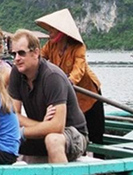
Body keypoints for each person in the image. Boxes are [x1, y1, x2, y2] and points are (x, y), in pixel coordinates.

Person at [8, 29, 89, 163]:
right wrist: (43, 125)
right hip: (42, 131)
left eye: (21, 53)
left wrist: (23, 132)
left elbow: (57, 126)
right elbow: (12, 115)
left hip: (72, 134)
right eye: (14, 54)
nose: (17, 59)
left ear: (35, 53)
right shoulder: (16, 73)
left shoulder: (52, 77)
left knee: (53, 139)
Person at [35, 8, 105, 144]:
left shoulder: (78, 47)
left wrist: (69, 82)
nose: (49, 32)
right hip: (69, 95)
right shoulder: (51, 46)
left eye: (53, 29)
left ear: (61, 31)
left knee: (95, 133)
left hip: (89, 93)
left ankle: (100, 160)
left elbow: (79, 69)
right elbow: (40, 59)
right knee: (72, 129)